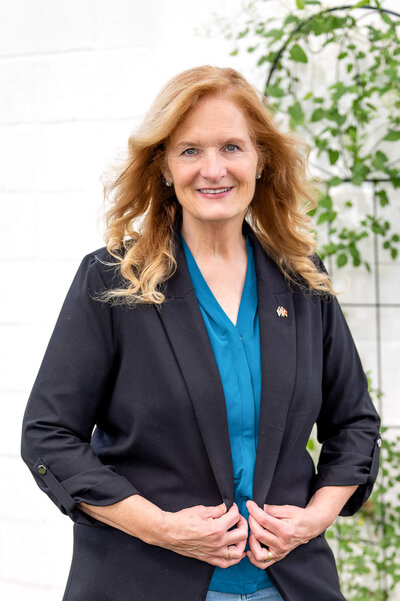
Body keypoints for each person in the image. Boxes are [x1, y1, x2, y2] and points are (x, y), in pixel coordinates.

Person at [21, 65, 381, 601]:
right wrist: (162, 529)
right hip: (143, 582)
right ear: (164, 166)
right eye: (190, 150)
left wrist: (312, 520)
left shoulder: (303, 282)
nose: (213, 169)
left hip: (289, 585)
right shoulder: (111, 282)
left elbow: (354, 424)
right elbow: (49, 436)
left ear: (261, 160)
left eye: (232, 147)